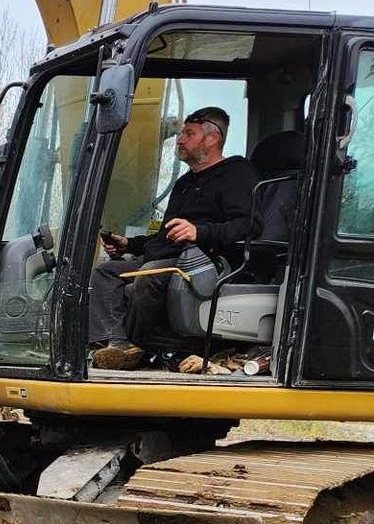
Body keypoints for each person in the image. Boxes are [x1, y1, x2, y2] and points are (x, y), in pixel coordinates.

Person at [88, 106, 256, 370]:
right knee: (107, 272)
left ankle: (138, 344)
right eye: (181, 134)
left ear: (213, 138)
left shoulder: (236, 175)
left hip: (205, 260)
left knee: (148, 273)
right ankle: (111, 346)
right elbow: (165, 235)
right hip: (169, 256)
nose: (180, 139)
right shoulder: (184, 183)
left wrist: (199, 232)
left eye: (189, 133)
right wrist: (129, 244)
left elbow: (248, 225)